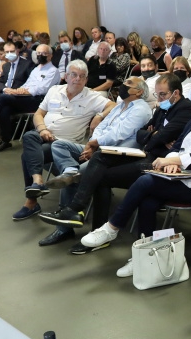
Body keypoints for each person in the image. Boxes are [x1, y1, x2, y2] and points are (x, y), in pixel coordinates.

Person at [79, 82, 191, 270]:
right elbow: (177, 146)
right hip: (180, 176)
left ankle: (112, 227)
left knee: (145, 181)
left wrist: (175, 161)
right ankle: (143, 257)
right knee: (147, 201)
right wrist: (171, 160)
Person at [39, 74, 191, 254]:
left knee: (98, 175)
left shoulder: (187, 110)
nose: (159, 99)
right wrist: (154, 135)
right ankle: (79, 213)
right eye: (157, 94)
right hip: (147, 154)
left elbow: (158, 136)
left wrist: (155, 135)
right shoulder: (163, 108)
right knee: (100, 158)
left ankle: (90, 223)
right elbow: (142, 134)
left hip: (160, 163)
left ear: (175, 93)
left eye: (162, 94)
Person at [38, 76, 153, 247]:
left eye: (129, 83)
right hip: (99, 149)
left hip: (117, 156)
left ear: (139, 91)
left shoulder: (141, 109)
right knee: (59, 146)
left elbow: (119, 134)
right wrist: (92, 145)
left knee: (75, 176)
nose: (123, 85)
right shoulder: (120, 105)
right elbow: (102, 127)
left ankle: (64, 227)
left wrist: (95, 145)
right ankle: (70, 171)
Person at [10, 60, 115, 221]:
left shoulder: (92, 97)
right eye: (74, 75)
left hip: (65, 144)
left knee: (27, 155)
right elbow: (38, 114)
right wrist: (43, 129)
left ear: (86, 80)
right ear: (66, 76)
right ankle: (37, 182)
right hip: (43, 135)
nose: (77, 79)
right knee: (29, 136)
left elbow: (114, 105)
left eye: (82, 76)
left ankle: (32, 200)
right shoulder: (54, 90)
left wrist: (99, 115)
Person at [0, 44, 61, 153]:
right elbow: (27, 83)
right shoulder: (36, 69)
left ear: (50, 56)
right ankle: (5, 140)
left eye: (44, 53)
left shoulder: (53, 71)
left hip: (39, 100)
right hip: (25, 97)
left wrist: (20, 91)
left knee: (4, 97)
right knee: (5, 108)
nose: (40, 55)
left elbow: (42, 89)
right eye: (38, 53)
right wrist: (19, 90)